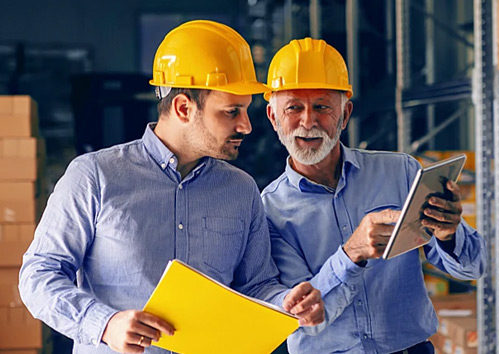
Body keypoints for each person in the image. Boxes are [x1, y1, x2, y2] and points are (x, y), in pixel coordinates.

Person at [18, 21, 324, 354]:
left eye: (246, 109)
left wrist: (286, 302)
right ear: (183, 108)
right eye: (231, 111)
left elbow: (257, 286)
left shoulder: (241, 189)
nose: (246, 126)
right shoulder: (95, 176)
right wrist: (104, 324)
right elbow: (39, 276)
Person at [261, 37, 486, 354]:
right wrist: (352, 253)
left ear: (345, 113)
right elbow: (305, 316)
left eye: (323, 107)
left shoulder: (401, 173)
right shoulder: (268, 211)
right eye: (293, 107)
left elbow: (473, 268)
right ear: (273, 117)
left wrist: (449, 234)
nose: (308, 121)